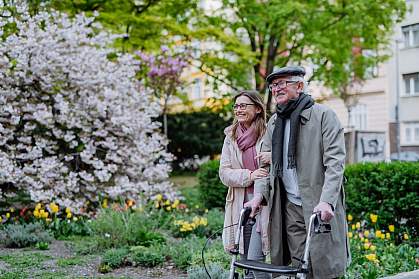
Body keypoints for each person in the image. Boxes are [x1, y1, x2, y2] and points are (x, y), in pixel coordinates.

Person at [245, 66, 350, 278]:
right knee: (299, 267)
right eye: (273, 85)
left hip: (318, 204)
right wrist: (259, 195)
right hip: (290, 206)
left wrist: (327, 200)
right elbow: (265, 167)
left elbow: (335, 162)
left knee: (325, 267)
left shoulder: (324, 116)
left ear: (300, 86)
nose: (276, 89)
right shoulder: (275, 121)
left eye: (282, 83)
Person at [219, 90, 271, 279]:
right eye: (236, 106)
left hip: (264, 203)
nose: (239, 110)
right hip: (240, 204)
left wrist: (270, 161)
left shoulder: (267, 134)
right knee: (244, 259)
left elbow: (272, 169)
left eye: (243, 106)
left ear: (257, 109)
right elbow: (224, 174)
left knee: (256, 260)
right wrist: (250, 175)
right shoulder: (230, 137)